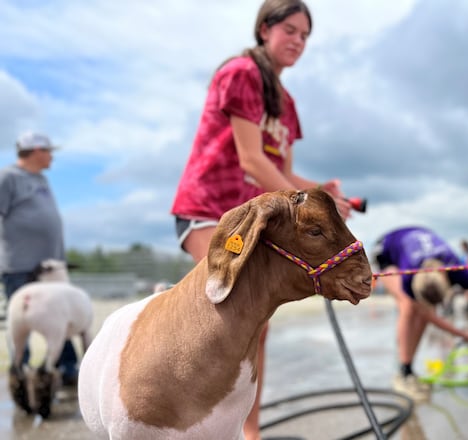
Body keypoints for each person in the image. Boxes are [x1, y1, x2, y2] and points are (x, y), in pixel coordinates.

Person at [170, 2, 350, 439]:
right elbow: (251, 160)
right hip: (208, 209)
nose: (298, 41)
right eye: (290, 30)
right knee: (230, 310)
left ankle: (249, 433)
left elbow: (282, 173)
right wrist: (306, 206)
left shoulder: (287, 104)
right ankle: (189, 419)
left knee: (258, 326)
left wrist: (323, 193)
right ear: (265, 29)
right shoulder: (241, 73)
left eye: (305, 36)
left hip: (251, 219)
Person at [373, 226, 468, 401]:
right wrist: (464, 335)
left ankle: (408, 369)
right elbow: (426, 314)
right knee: (408, 306)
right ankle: (404, 372)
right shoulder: (408, 277)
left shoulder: (455, 269)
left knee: (420, 312)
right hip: (387, 248)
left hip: (416, 240)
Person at [0, 131, 79, 385]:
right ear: (36, 151)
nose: (51, 157)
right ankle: (20, 374)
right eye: (48, 152)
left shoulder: (41, 180)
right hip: (20, 266)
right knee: (19, 321)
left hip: (51, 269)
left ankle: (67, 369)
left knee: (62, 317)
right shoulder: (8, 178)